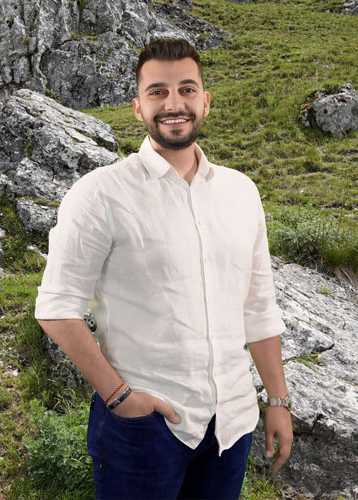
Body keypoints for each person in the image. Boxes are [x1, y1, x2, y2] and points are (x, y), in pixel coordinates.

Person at [35, 38, 293, 500]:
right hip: (143, 429)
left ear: (205, 101)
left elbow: (257, 305)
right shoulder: (100, 194)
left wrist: (277, 400)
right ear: (138, 107)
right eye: (157, 92)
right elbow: (56, 307)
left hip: (231, 424)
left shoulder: (241, 192)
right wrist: (119, 398)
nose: (174, 104)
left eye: (186, 89)